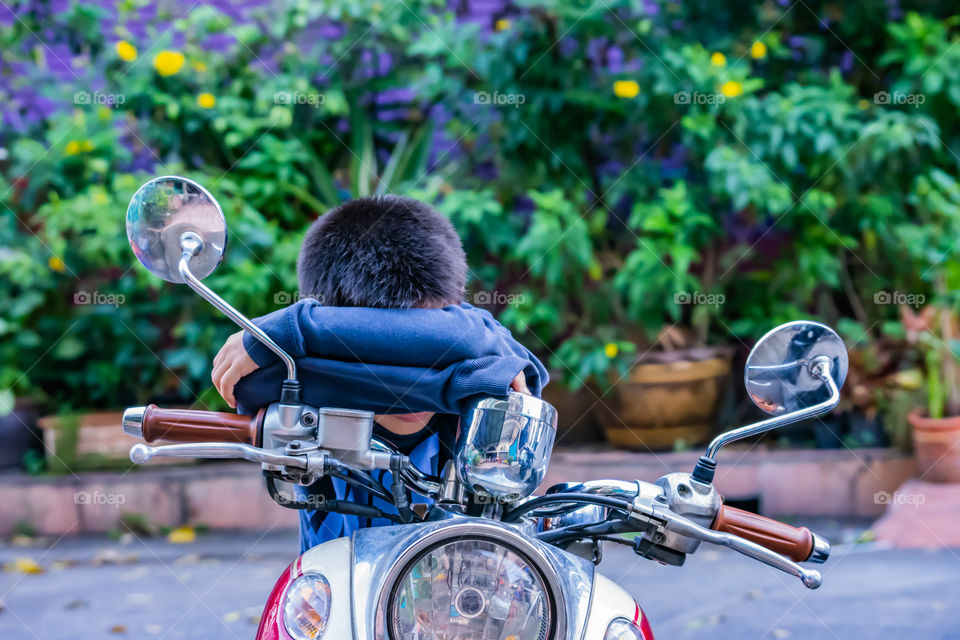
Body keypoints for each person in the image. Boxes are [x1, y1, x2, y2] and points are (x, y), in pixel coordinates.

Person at [210, 194, 547, 551]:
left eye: (427, 347)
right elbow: (246, 387)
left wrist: (293, 328)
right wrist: (455, 383)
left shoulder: (486, 340)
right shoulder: (291, 383)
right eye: (390, 344)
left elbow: (482, 335)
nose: (414, 366)